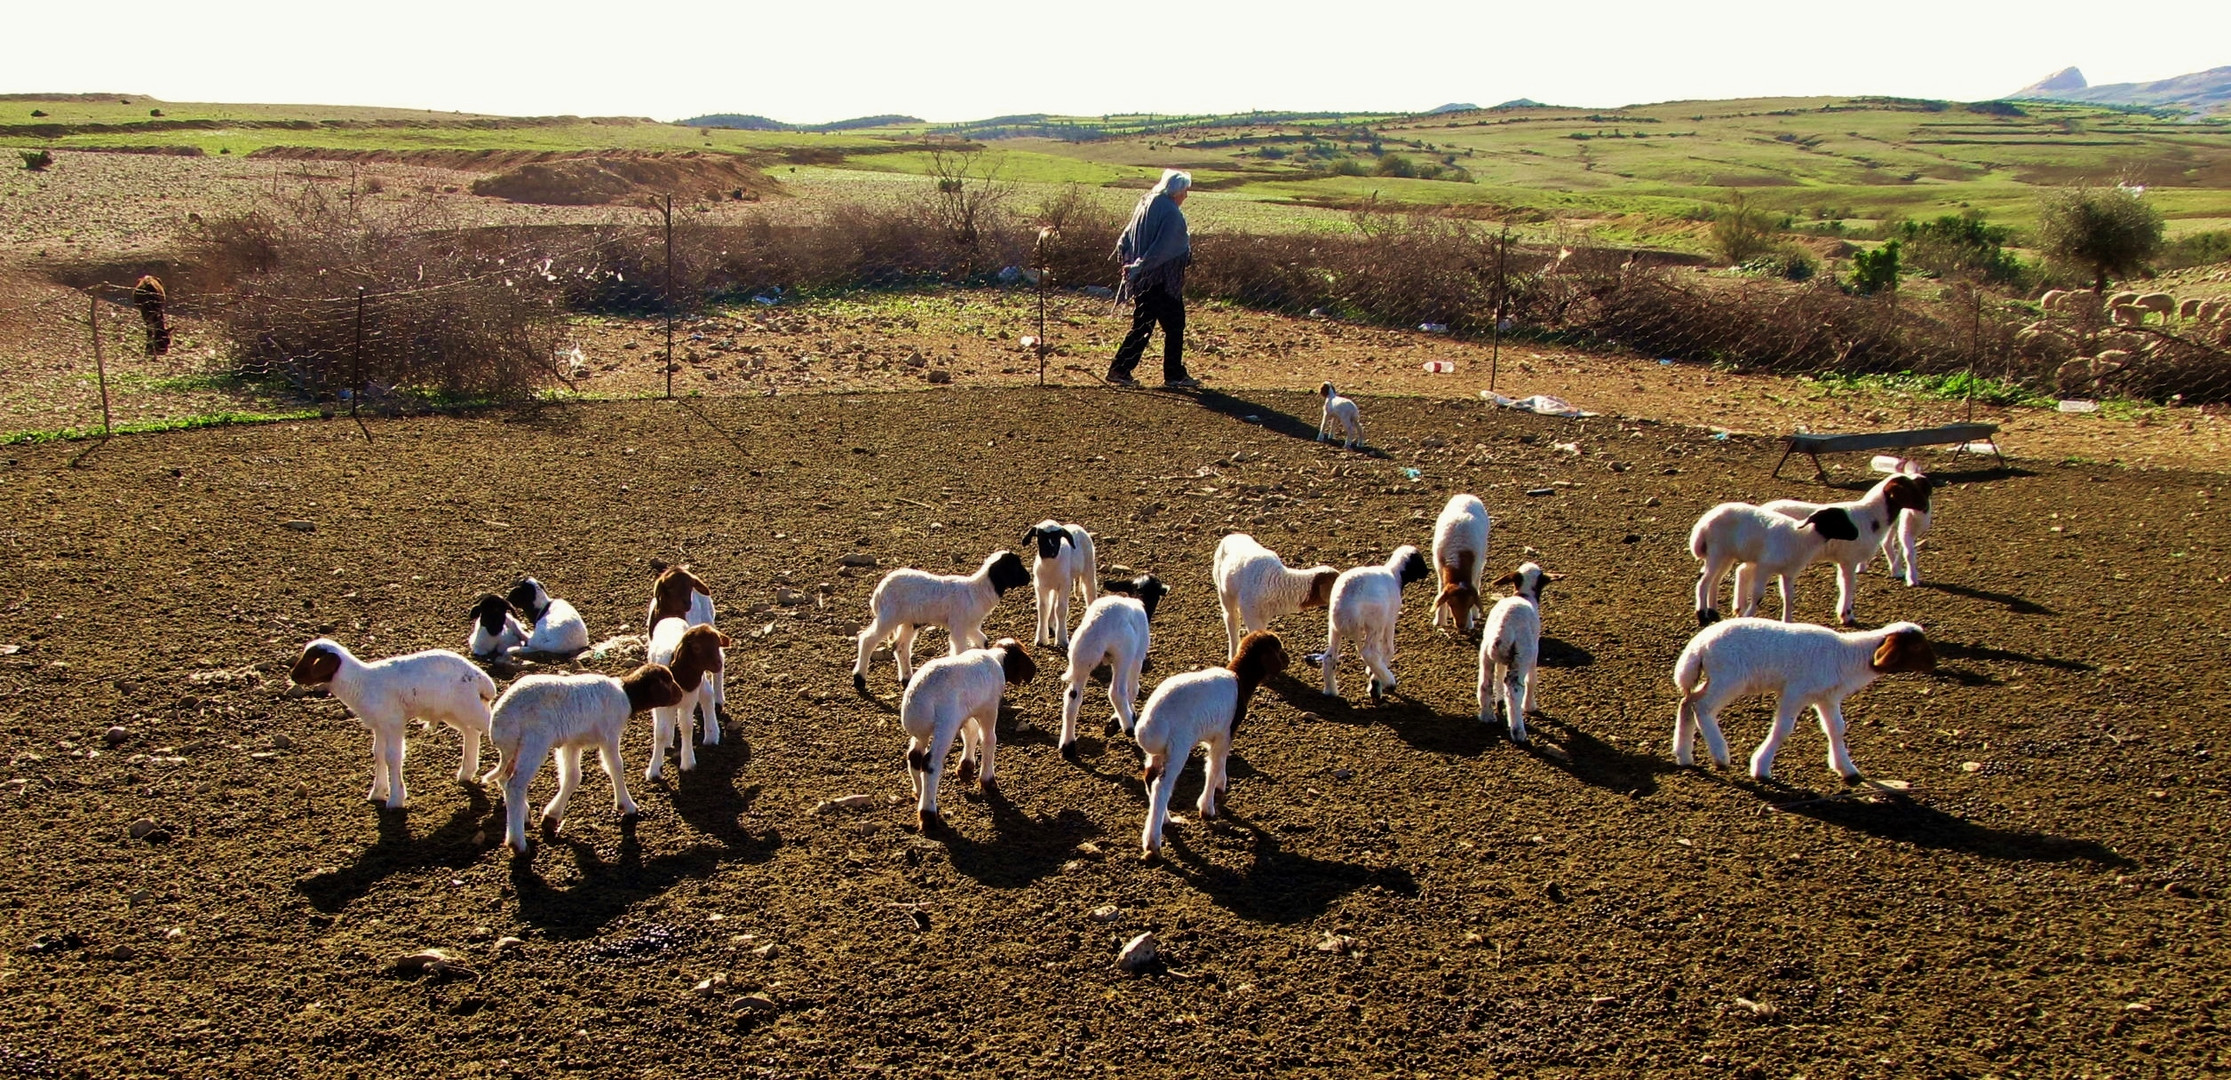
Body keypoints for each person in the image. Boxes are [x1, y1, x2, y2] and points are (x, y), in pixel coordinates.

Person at [1107, 169, 1199, 390]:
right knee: (1174, 323)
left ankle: (1121, 369)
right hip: (1162, 279)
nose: (1186, 196)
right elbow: (1166, 248)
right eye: (1185, 191)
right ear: (1177, 191)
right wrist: (1141, 265)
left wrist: (1131, 264)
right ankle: (1173, 375)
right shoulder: (1171, 213)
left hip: (1143, 279)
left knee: (1145, 323)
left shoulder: (1146, 203)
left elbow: (1126, 236)